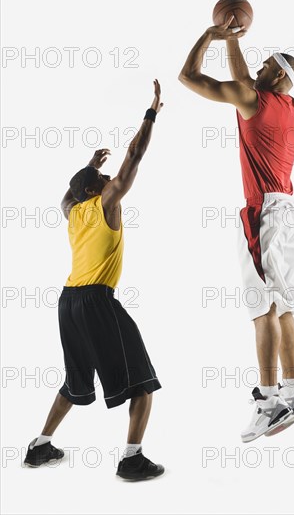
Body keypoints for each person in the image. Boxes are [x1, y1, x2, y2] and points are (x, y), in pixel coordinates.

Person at [179, 17, 294, 442]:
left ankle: (269, 400)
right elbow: (244, 78)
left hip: (266, 213)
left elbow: (189, 77)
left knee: (262, 308)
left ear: (275, 74)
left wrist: (210, 36)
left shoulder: (254, 99)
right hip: (289, 208)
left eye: (263, 65)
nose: (254, 68)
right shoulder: (288, 106)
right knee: (285, 304)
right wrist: (234, 41)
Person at [24, 80, 165, 480]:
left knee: (76, 379)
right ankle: (132, 459)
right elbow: (134, 157)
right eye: (103, 182)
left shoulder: (74, 212)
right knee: (142, 380)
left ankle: (40, 446)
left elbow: (64, 197)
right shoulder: (104, 204)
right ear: (95, 190)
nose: (112, 184)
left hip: (68, 302)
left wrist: (91, 165)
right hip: (97, 302)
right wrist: (151, 113)